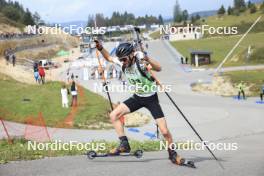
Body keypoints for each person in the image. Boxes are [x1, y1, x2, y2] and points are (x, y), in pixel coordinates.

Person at [95, 40, 191, 166]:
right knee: (113, 115)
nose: (122, 62)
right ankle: (124, 144)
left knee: (165, 131)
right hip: (137, 98)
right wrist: (101, 48)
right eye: (121, 60)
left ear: (131, 55)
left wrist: (148, 60)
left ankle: (173, 154)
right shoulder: (123, 62)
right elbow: (108, 57)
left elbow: (159, 68)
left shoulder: (141, 62)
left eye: (124, 59)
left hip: (151, 99)